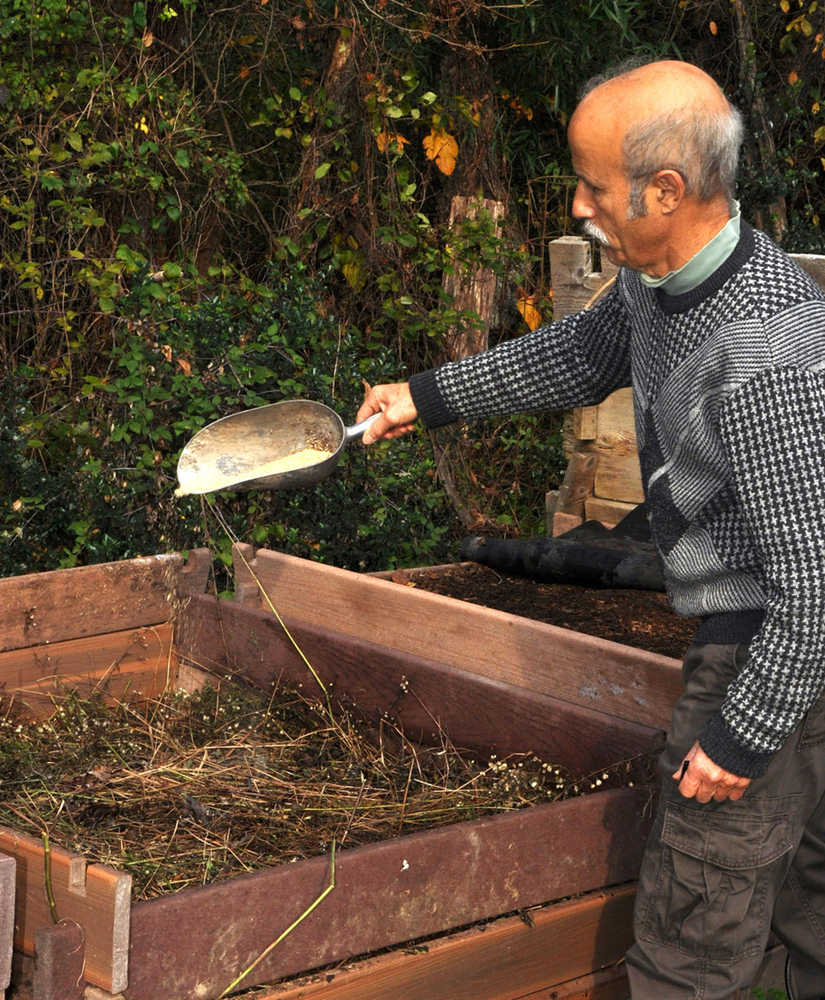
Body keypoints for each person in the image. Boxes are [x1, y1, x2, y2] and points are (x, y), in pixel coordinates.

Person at [356, 59, 825, 999]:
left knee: (690, 931)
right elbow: (579, 352)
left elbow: (813, 585)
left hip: (773, 644)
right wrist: (427, 398)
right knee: (810, 895)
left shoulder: (768, 353)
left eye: (592, 183)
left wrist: (741, 737)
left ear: (666, 190)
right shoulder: (660, 283)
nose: (576, 202)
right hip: (777, 634)